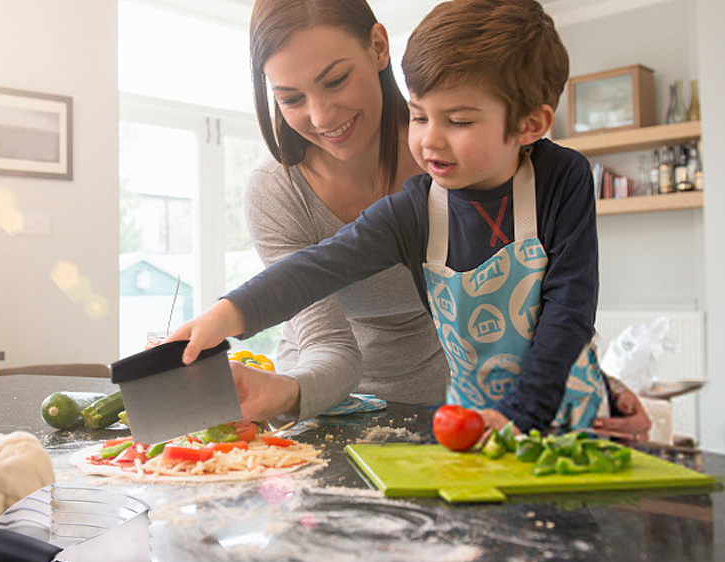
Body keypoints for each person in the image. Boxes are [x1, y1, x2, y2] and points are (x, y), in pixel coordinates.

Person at [174, 0, 651, 437]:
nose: (429, 142)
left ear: (530, 124)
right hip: (458, 422)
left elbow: (567, 309)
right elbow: (320, 266)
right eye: (420, 117)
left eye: (458, 122)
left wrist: (562, 396)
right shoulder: (416, 204)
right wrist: (226, 313)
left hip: (552, 415)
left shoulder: (561, 177)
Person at [235, 0, 449, 424]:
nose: (321, 117)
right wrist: (283, 391)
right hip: (319, 406)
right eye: (291, 98)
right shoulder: (277, 192)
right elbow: (328, 345)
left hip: (444, 408)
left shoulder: (447, 157)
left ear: (379, 46)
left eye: (335, 80)